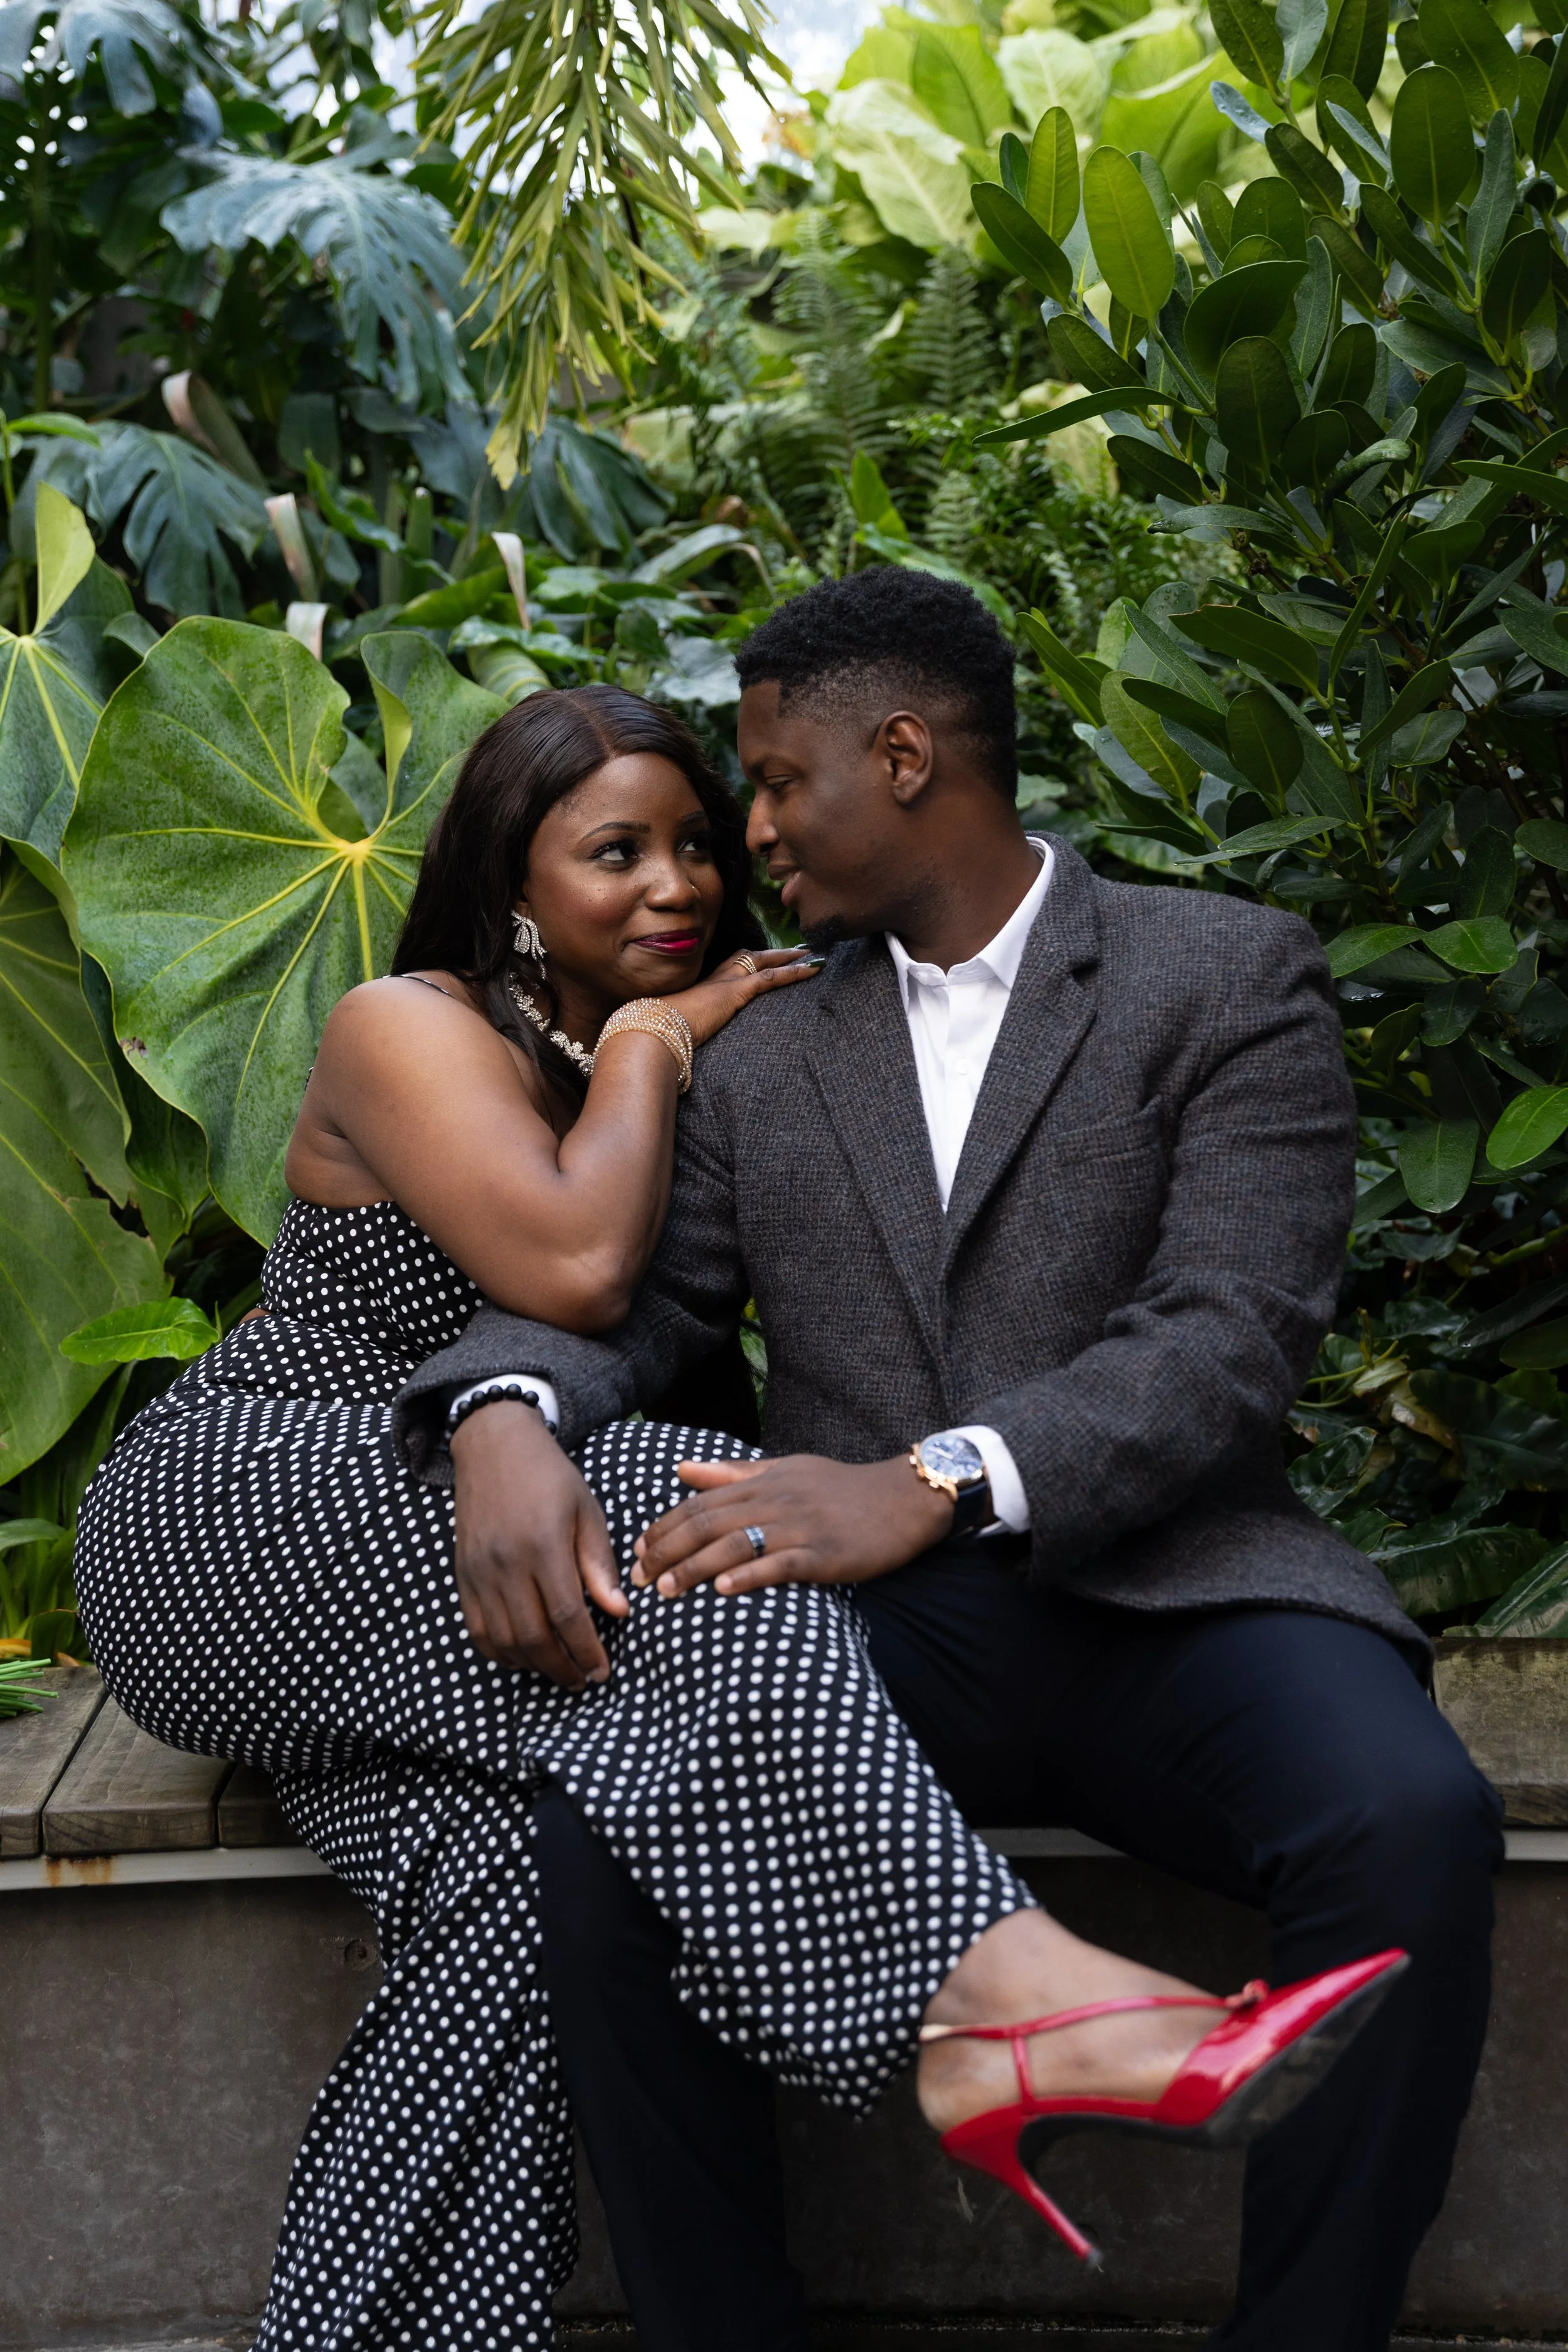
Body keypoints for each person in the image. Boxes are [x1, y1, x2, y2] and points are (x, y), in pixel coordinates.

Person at [74, 681, 1387, 2352]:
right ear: (507, 881)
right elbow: (570, 1263)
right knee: (716, 1528)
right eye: (612, 850)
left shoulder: (732, 1048)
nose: (675, 882)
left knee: (513, 1901)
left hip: (466, 1604)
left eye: (696, 841)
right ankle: (1003, 1991)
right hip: (254, 1513)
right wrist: (650, 1042)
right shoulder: (412, 1022)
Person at [394, 571, 1504, 2352]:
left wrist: (923, 1477)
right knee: (611, 1853)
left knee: (1414, 1825)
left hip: (1178, 1592)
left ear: (900, 756)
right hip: (878, 1641)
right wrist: (500, 1412)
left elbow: (1230, 1333)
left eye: (773, 781)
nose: (746, 831)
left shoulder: (1219, 971)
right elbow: (638, 1309)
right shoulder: (761, 1042)